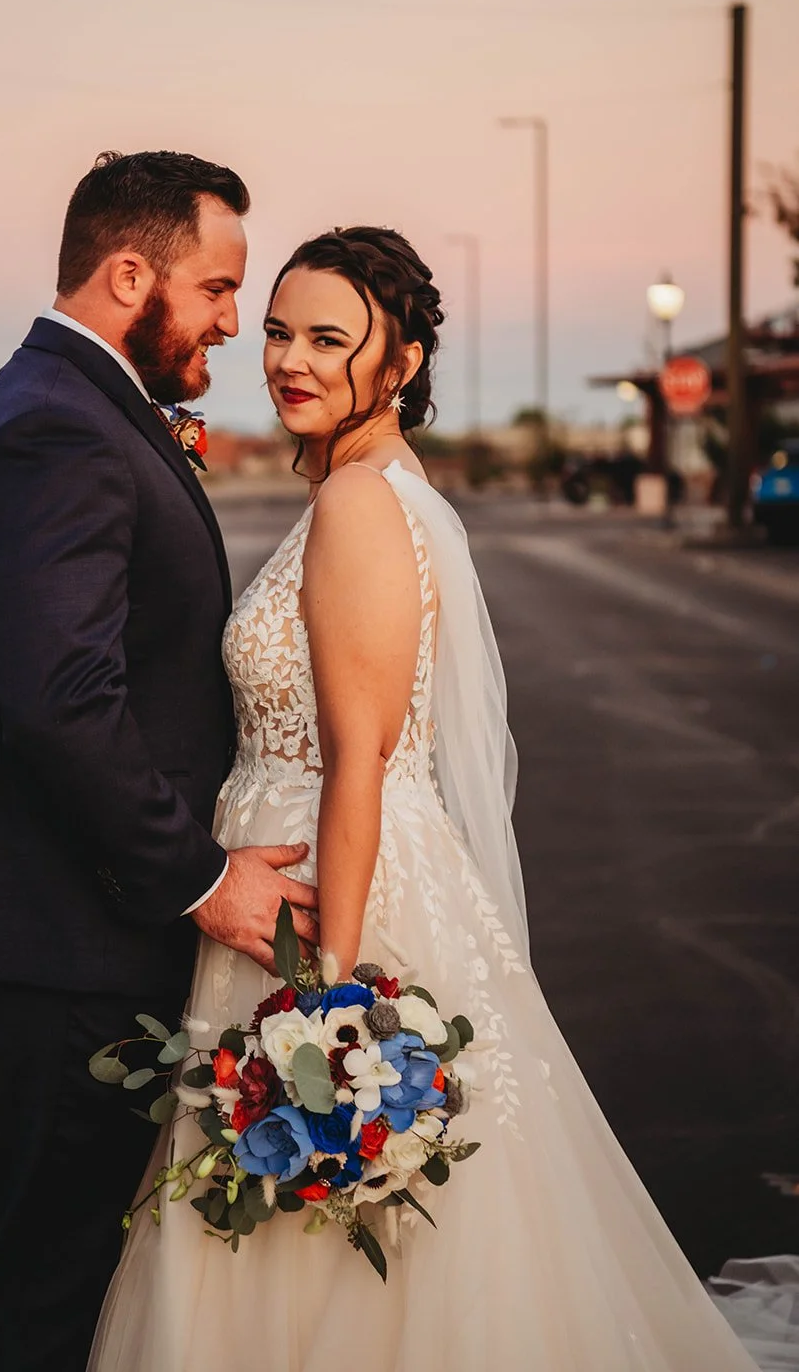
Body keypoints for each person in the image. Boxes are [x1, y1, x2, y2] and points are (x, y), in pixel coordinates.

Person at [87, 226, 763, 1370]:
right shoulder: (371, 489)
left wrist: (328, 1017)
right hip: (296, 890)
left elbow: (360, 756)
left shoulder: (358, 504)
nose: (290, 359)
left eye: (328, 340)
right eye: (279, 332)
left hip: (324, 910)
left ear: (395, 365)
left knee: (320, 1236)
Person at [0, 150, 318, 1372]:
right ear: (128, 272)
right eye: (214, 288)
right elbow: (61, 705)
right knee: (47, 1276)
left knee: (74, 1262)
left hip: (75, 930)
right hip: (62, 943)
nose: (230, 323)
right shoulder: (57, 425)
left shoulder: (77, 407)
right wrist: (204, 880)